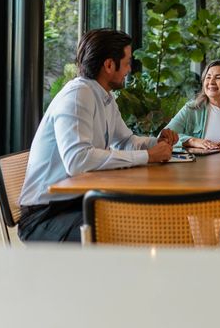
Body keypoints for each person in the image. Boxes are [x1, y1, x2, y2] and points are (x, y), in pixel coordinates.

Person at [18, 28, 177, 242]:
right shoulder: (78, 94)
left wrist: (155, 143)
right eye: (128, 62)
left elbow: (125, 141)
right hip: (46, 215)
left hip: (79, 202)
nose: (130, 69)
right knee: (136, 232)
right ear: (109, 65)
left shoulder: (104, 97)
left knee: (149, 218)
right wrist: (149, 156)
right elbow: (77, 160)